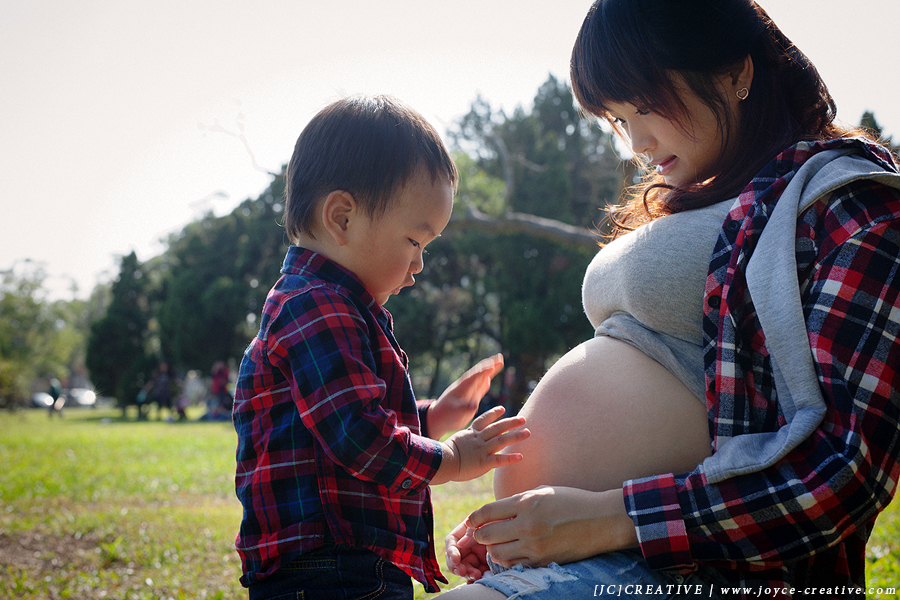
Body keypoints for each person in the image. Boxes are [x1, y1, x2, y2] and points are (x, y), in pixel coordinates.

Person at [440, 1, 900, 598]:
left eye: (645, 106)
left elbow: (843, 472)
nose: (636, 141)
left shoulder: (853, 204)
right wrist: (516, 524)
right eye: (618, 118)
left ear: (736, 72)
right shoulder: (702, 197)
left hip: (689, 570)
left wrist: (611, 519)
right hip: (588, 556)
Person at [232, 95, 531, 600]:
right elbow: (357, 436)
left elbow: (339, 416)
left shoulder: (332, 305)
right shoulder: (317, 308)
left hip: (338, 563)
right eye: (415, 242)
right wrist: (452, 459)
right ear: (342, 219)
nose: (419, 266)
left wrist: (432, 416)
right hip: (328, 568)